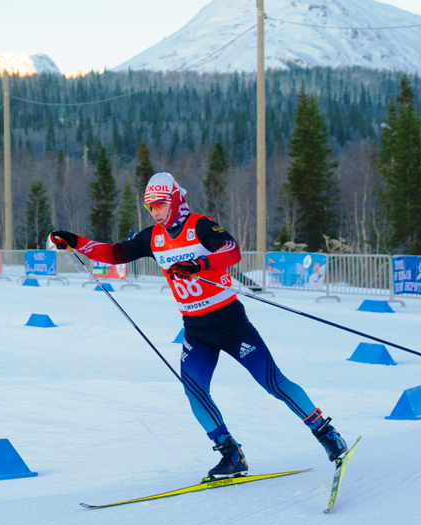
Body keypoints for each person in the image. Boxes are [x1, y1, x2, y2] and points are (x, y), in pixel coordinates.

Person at [49, 172, 348, 482]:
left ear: (175, 200)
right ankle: (231, 454)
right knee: (194, 389)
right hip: (195, 331)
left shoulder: (201, 226)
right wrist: (75, 241)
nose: (155, 212)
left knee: (272, 381)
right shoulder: (152, 237)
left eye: (160, 205)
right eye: (149, 206)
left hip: (231, 323)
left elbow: (231, 251)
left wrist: (198, 264)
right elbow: (113, 254)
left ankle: (327, 434)